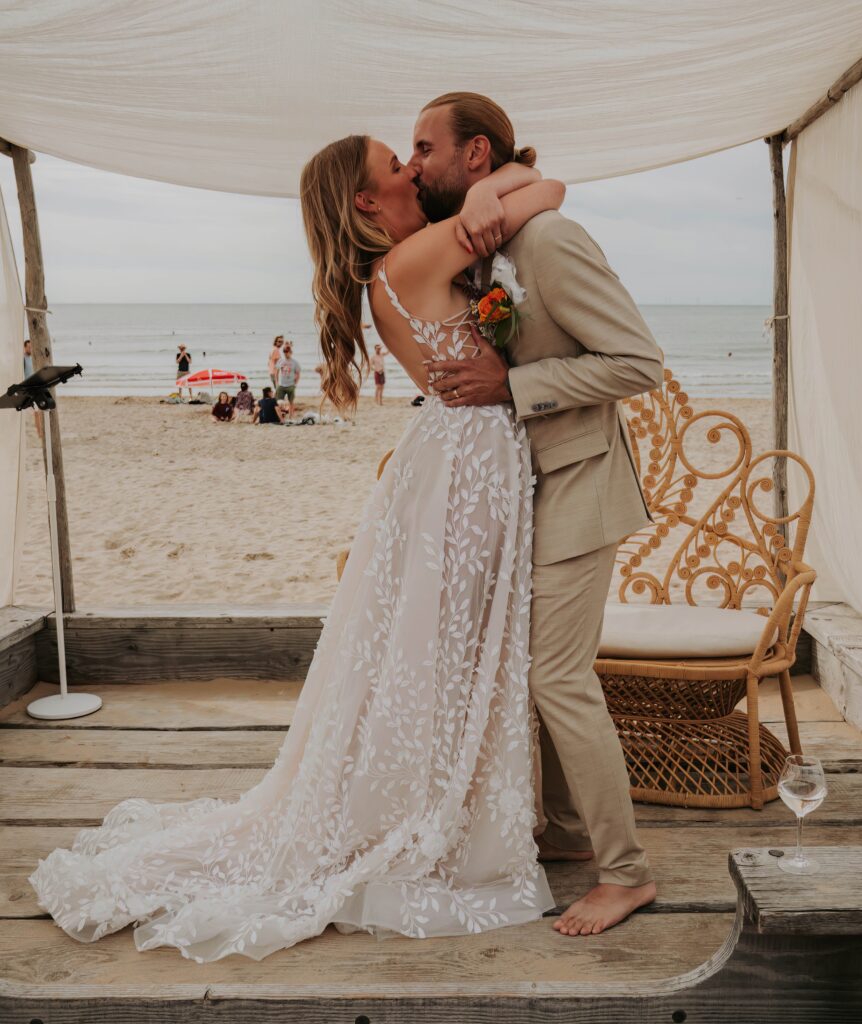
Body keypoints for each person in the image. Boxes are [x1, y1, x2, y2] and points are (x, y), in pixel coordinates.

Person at [29, 129, 570, 962]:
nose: (412, 170)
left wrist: (476, 199)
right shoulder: (420, 254)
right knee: (446, 646)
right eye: (397, 165)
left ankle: (443, 796)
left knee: (434, 645)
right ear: (364, 199)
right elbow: (551, 189)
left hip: (456, 463)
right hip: (464, 468)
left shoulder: (394, 267)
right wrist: (492, 190)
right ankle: (431, 811)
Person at [411, 92, 662, 938]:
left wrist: (513, 386)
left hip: (582, 484)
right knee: (531, 670)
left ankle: (624, 874)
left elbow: (636, 361)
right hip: (530, 491)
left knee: (556, 676)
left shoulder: (549, 241)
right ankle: (560, 831)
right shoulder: (493, 242)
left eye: (423, 147)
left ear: (475, 154)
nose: (415, 164)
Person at [22, 339, 42, 439]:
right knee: (24, 413)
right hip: (25, 390)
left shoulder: (34, 358)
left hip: (34, 389)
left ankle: (40, 433)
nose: (30, 349)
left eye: (31, 347)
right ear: (24, 347)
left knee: (37, 412)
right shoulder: (23, 359)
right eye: (28, 347)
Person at [275, 342, 300, 419]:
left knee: (291, 402)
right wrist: (276, 382)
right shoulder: (280, 361)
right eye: (285, 352)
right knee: (279, 402)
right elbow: (276, 372)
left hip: (290, 385)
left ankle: (290, 417)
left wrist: (295, 384)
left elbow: (297, 373)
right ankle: (280, 416)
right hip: (281, 385)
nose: (286, 353)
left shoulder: (295, 362)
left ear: (291, 352)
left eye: (287, 352)